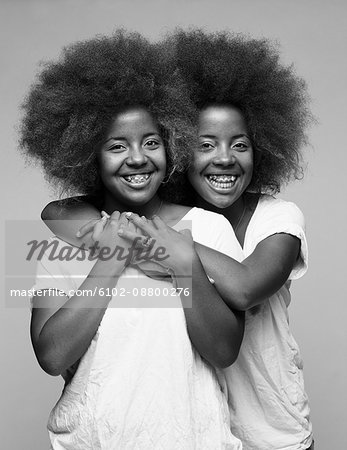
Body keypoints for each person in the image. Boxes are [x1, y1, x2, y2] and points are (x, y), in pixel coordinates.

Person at [44, 30, 315, 449]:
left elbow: (240, 297)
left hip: (265, 429)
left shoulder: (249, 221)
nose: (223, 157)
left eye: (151, 142)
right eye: (205, 144)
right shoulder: (83, 230)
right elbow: (50, 352)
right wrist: (119, 251)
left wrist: (179, 258)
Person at [20, 31, 244, 449]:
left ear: (173, 145)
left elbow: (224, 351)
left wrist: (185, 267)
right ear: (88, 154)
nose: (138, 158)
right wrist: (109, 261)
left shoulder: (209, 229)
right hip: (93, 441)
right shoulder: (64, 241)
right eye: (117, 146)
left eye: (152, 142)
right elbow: (51, 356)